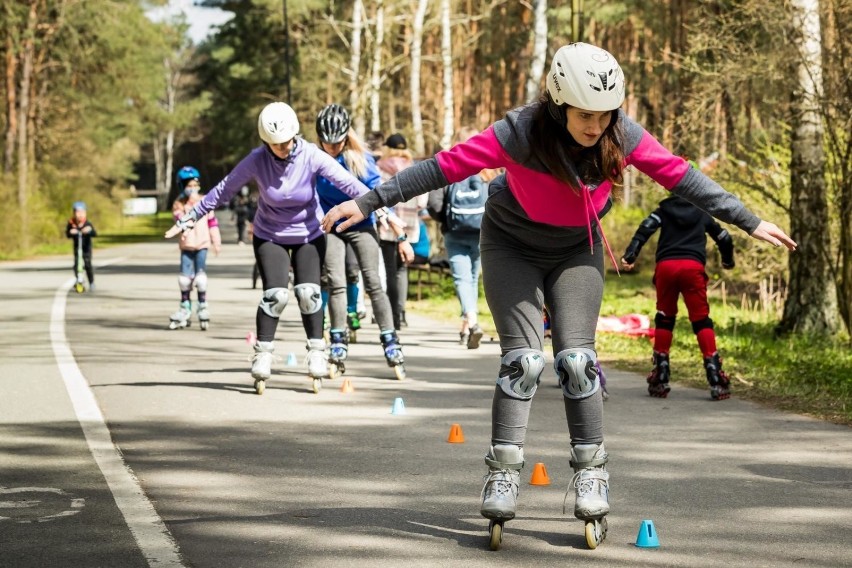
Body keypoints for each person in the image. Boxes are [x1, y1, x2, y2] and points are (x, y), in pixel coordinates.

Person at [321, 42, 796, 550]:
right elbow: (442, 167)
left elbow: (681, 175)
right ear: (558, 103)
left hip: (577, 249)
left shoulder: (621, 134)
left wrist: (747, 219)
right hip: (510, 246)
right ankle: (503, 471)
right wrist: (369, 200)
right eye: (586, 115)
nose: (597, 126)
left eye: (606, 115)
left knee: (575, 362)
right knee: (523, 362)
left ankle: (591, 472)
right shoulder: (519, 133)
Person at [167, 102, 373, 394]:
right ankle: (263, 352)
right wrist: (191, 217)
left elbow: (349, 184)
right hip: (270, 234)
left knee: (308, 293)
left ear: (295, 135)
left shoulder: (311, 155)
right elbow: (224, 189)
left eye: (287, 142)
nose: (283, 148)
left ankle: (317, 350)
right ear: (265, 141)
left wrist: (383, 208)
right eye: (275, 144)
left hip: (308, 233)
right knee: (275, 295)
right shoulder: (256, 160)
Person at [314, 103, 409, 378]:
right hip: (331, 225)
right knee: (336, 281)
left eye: (337, 143)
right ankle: (338, 340)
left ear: (347, 137)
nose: (332, 148)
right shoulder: (314, 158)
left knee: (373, 281)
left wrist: (390, 219)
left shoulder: (361, 158)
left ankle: (391, 340)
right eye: (326, 143)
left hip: (361, 223)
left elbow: (378, 193)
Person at [621, 193, 736, 400]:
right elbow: (724, 237)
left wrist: (631, 254)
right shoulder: (703, 213)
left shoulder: (663, 211)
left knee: (665, 318)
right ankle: (715, 376)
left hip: (666, 268)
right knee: (701, 320)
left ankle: (660, 375)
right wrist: (727, 260)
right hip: (692, 268)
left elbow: (645, 228)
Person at [427, 126, 494, 349]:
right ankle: (467, 326)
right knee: (472, 278)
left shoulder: (449, 167)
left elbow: (433, 204)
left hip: (455, 232)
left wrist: (446, 221)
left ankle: (471, 322)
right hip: (481, 232)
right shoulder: (487, 169)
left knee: (462, 279)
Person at [375, 133, 422, 329]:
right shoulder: (415, 168)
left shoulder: (381, 167)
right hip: (409, 224)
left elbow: (377, 196)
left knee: (390, 270)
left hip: (387, 225)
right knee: (402, 270)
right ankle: (401, 314)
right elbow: (422, 201)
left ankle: (393, 315)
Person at [168, 167, 222, 330]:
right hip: (186, 246)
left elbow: (212, 223)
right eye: (189, 185)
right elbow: (180, 220)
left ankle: (203, 305)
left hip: (202, 245)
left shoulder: (205, 202)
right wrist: (189, 206)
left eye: (195, 185)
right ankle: (185, 307)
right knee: (184, 279)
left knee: (200, 278)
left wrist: (216, 241)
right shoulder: (179, 204)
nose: (193, 188)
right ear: (182, 186)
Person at [65, 201, 97, 292]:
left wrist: (89, 231)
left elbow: (94, 233)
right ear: (74, 213)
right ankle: (79, 280)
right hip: (77, 248)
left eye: (82, 212)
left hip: (86, 248)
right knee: (76, 265)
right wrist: (71, 232)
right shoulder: (71, 223)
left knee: (87, 264)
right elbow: (67, 234)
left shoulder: (87, 223)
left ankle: (91, 282)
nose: (80, 215)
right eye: (77, 212)